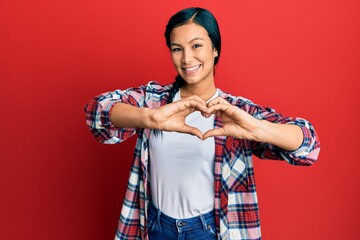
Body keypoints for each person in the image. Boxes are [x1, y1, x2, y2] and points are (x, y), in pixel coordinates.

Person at [85, 7, 320, 240]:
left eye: (196, 45)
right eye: (177, 49)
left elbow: (308, 148)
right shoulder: (154, 100)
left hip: (211, 231)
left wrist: (257, 128)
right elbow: (96, 112)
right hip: (154, 227)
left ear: (215, 49)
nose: (187, 58)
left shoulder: (236, 112)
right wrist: (150, 118)